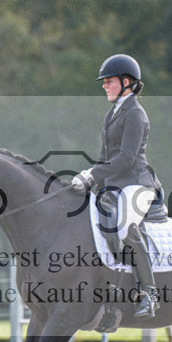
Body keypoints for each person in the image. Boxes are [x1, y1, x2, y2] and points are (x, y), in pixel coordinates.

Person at [71, 54, 163, 319]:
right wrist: (90, 180)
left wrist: (93, 175)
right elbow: (104, 157)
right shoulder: (113, 113)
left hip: (137, 184)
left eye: (108, 81)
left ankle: (149, 293)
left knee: (124, 226)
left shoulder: (136, 114)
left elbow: (126, 158)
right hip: (113, 185)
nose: (104, 86)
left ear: (126, 82)